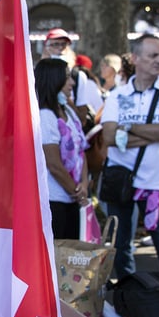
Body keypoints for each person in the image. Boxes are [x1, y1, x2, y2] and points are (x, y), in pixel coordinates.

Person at [101, 33, 159, 279]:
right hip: (121, 180)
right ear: (136, 59)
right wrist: (154, 132)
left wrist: (126, 129)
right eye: (152, 56)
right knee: (122, 244)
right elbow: (108, 136)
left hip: (154, 184)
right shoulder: (119, 95)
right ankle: (128, 295)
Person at [36, 58, 90, 238]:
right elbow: (53, 164)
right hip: (55, 200)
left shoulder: (69, 110)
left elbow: (81, 151)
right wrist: (77, 192)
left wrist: (83, 184)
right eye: (67, 77)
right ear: (53, 79)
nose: (72, 83)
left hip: (73, 197)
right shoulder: (45, 116)